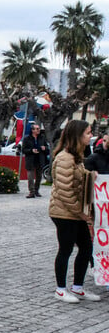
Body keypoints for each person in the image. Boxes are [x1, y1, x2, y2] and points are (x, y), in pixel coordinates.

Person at [49, 120, 100, 304]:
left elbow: (79, 181)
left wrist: (89, 175)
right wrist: (81, 213)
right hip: (64, 213)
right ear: (77, 135)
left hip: (76, 212)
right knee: (66, 249)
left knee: (86, 247)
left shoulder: (76, 156)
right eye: (87, 133)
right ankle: (60, 289)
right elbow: (65, 190)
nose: (90, 136)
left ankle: (78, 286)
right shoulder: (65, 158)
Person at [22, 123, 49, 198]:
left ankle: (37, 190)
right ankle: (32, 191)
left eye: (38, 129)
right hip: (30, 160)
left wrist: (45, 148)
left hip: (39, 159)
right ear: (32, 130)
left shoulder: (42, 138)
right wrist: (31, 150)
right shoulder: (27, 139)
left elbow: (47, 148)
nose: (38, 130)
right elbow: (23, 150)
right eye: (36, 129)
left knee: (39, 176)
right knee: (30, 177)